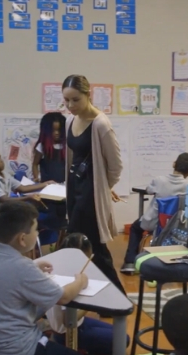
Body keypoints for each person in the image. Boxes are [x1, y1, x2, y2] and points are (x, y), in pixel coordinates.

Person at [0, 201, 87, 355]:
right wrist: (81, 281)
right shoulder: (22, 267)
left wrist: (33, 264)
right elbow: (64, 297)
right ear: (22, 239)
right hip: (17, 349)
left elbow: (6, 274)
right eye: (36, 229)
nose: (38, 233)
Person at [62, 74, 125, 295]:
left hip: (91, 196)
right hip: (74, 190)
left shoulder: (100, 124)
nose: (70, 106)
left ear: (88, 95)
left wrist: (102, 188)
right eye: (66, 100)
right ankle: (102, 296)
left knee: (90, 246)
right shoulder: (70, 120)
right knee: (89, 248)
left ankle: (115, 299)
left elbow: (115, 166)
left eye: (75, 100)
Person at [47, 233, 130, 354]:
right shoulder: (68, 279)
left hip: (75, 325)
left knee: (119, 332)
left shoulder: (56, 268)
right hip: (67, 332)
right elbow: (69, 320)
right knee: (122, 339)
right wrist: (90, 304)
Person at [121, 153, 188, 275]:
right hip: (179, 227)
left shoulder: (159, 181)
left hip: (155, 224)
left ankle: (130, 263)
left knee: (135, 228)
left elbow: (148, 190)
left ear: (174, 164)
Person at [32, 112, 67, 230]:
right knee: (52, 215)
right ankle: (52, 237)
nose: (56, 133)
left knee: (63, 215)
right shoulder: (42, 147)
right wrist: (36, 178)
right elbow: (35, 164)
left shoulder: (67, 146)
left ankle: (59, 240)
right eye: (53, 130)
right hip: (48, 189)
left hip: (63, 188)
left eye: (59, 130)